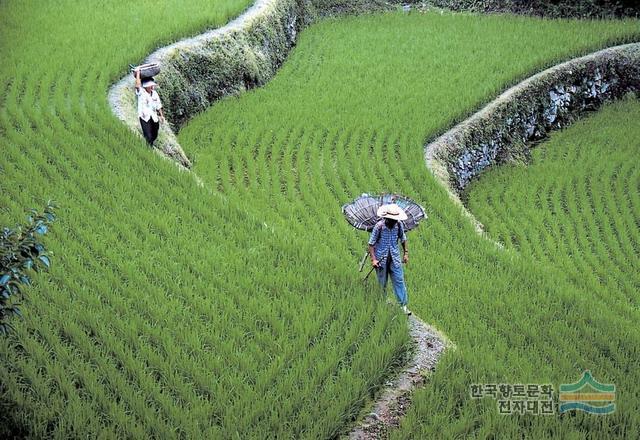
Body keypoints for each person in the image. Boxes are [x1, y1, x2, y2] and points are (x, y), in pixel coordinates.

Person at [368, 204, 411, 315]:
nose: (393, 222)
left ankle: (403, 306)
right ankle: (381, 303)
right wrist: (373, 259)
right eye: (391, 219)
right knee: (382, 282)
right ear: (386, 218)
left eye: (395, 220)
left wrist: (406, 253)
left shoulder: (399, 225)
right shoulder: (379, 226)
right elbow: (371, 244)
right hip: (381, 259)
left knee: (399, 280)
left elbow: (403, 239)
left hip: (394, 257)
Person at [134, 68, 165, 146]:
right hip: (144, 116)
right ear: (145, 86)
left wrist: (161, 116)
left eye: (152, 86)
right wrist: (138, 73)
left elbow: (158, 105)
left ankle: (150, 144)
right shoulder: (141, 92)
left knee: (155, 134)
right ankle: (149, 148)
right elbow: (137, 85)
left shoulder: (154, 93)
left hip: (154, 116)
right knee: (148, 135)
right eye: (150, 86)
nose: (152, 87)